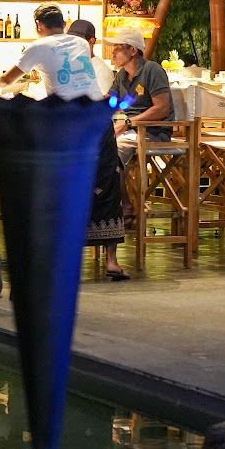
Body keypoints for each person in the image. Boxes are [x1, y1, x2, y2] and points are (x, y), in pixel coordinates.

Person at [66, 18, 128, 279]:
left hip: (97, 136)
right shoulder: (69, 65)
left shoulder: (99, 68)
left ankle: (111, 260)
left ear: (91, 42)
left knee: (106, 192)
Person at [0, 5, 106, 100]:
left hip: (69, 113)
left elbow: (6, 80)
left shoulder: (39, 46)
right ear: (64, 24)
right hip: (98, 110)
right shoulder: (82, 43)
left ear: (38, 25)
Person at [107, 29, 173, 166]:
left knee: (112, 147)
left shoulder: (152, 70)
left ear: (132, 50)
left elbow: (162, 109)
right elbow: (109, 101)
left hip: (153, 133)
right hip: (130, 131)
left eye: (117, 48)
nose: (113, 53)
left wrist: (128, 123)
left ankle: (110, 177)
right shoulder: (121, 75)